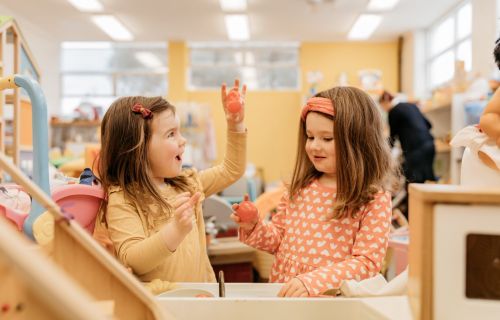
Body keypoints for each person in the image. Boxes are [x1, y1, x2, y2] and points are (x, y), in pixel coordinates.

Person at [231, 86, 398, 297]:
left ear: (358, 141)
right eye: (310, 137)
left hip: (330, 303)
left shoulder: (374, 198)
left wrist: (314, 282)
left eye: (327, 139)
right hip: (287, 296)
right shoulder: (299, 187)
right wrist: (254, 226)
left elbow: (367, 263)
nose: (314, 146)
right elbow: (278, 241)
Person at [95, 80, 247, 285]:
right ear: (138, 148)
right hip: (162, 308)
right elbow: (133, 258)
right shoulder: (123, 199)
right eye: (171, 134)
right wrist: (175, 231)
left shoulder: (187, 183)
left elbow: (231, 169)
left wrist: (235, 124)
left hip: (200, 299)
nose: (182, 140)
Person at [379, 90, 436, 218]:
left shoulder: (393, 111)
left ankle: (412, 217)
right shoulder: (411, 106)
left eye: (382, 106)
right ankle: (425, 214)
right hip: (429, 145)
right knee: (425, 181)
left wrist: (383, 154)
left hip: (415, 149)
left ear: (385, 102)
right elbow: (429, 125)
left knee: (412, 184)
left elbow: (392, 137)